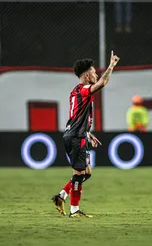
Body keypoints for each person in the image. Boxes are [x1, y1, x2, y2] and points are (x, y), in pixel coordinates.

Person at [51, 51, 120, 218]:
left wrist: (87, 132)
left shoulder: (74, 92)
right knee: (79, 173)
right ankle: (74, 211)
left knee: (86, 172)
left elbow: (76, 116)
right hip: (76, 137)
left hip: (75, 134)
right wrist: (111, 66)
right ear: (88, 74)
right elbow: (103, 83)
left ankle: (61, 196)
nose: (96, 74)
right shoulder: (83, 90)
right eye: (94, 71)